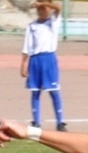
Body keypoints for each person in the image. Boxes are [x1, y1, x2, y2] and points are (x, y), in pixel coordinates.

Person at [21, 0, 67, 131]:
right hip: (35, 60)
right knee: (35, 91)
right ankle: (36, 121)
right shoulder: (32, 26)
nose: (42, 11)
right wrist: (24, 64)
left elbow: (58, 8)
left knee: (54, 91)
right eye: (39, 9)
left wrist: (43, 4)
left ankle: (60, 122)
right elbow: (27, 46)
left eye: (44, 8)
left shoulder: (53, 22)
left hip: (49, 59)